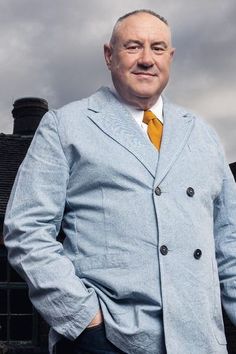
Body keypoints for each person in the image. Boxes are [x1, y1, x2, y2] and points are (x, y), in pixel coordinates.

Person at [3, 9, 236, 354]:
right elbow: (26, 228)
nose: (146, 59)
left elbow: (229, 241)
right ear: (109, 56)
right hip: (109, 340)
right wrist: (83, 319)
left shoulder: (202, 134)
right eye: (133, 47)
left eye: (157, 48)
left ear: (170, 58)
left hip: (199, 341)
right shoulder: (65, 126)